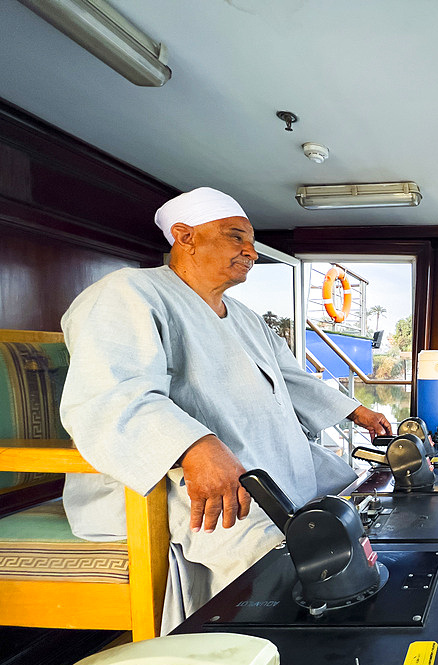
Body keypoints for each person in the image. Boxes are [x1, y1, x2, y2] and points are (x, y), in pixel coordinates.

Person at [59, 186, 392, 631]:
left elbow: (291, 378)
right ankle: (277, 655)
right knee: (280, 563)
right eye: (236, 237)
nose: (251, 253)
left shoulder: (245, 317)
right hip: (181, 480)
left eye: (251, 243)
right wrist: (193, 446)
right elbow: (111, 392)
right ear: (184, 236)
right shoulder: (128, 293)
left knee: (349, 506)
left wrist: (358, 413)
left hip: (265, 465)